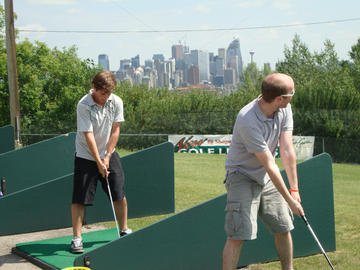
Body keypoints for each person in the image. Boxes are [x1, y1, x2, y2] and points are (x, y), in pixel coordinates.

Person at [222, 73, 304, 270]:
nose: (292, 97)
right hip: (241, 175)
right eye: (291, 94)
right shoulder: (247, 119)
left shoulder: (285, 109)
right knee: (238, 235)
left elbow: (286, 149)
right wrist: (290, 201)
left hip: (266, 177)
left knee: (283, 226)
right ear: (279, 99)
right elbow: (270, 163)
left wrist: (295, 190)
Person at [70, 71, 131, 254]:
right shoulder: (84, 105)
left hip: (108, 153)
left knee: (118, 193)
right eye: (103, 93)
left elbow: (115, 130)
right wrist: (97, 160)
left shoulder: (116, 101)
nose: (106, 97)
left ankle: (124, 230)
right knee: (80, 198)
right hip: (86, 155)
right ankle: (77, 239)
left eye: (109, 93)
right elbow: (87, 135)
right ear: (94, 89)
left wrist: (107, 156)